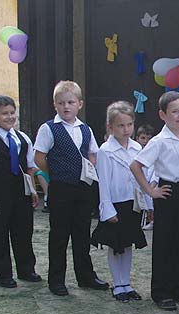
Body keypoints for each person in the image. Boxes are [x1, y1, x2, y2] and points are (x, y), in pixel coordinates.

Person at [34, 81, 108, 296]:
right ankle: (56, 280)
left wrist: (88, 167)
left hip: (83, 188)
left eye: (70, 102)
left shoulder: (85, 129)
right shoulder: (49, 128)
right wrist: (57, 171)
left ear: (80, 104)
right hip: (61, 188)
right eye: (61, 103)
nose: (66, 106)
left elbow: (93, 153)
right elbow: (39, 158)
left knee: (82, 232)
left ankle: (85, 276)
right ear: (55, 105)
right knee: (59, 234)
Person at [131, 91, 179, 311]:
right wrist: (151, 191)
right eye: (174, 112)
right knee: (164, 243)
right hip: (166, 191)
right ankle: (161, 291)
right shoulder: (158, 141)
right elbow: (136, 166)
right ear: (163, 115)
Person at [0, 95, 41, 288]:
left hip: (21, 192)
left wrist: (34, 191)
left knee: (23, 231)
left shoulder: (23, 138)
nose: (10, 117)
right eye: (5, 114)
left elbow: (29, 167)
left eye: (12, 113)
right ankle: (3, 274)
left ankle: (26, 269)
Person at [90, 101, 147, 303]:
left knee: (128, 244)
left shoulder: (137, 148)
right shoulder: (105, 151)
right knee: (116, 246)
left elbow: (142, 178)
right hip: (115, 204)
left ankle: (127, 283)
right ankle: (117, 284)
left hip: (132, 204)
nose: (126, 129)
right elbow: (103, 182)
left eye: (129, 125)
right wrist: (107, 209)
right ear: (110, 127)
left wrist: (146, 203)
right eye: (121, 126)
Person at [135, 124, 156, 230]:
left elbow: (156, 170)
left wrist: (152, 183)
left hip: (151, 183)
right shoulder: (135, 152)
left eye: (149, 139)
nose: (145, 141)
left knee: (151, 192)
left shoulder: (154, 152)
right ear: (137, 138)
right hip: (138, 183)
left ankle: (152, 219)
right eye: (143, 138)